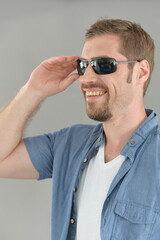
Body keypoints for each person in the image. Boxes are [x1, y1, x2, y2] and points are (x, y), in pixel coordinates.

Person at [0, 18, 159, 240]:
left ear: (141, 72)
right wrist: (33, 91)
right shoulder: (68, 143)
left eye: (104, 65)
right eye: (84, 66)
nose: (87, 79)